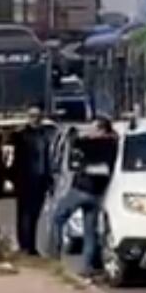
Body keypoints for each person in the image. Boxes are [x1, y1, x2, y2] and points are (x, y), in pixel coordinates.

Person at [51, 118, 118, 280]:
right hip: (97, 195)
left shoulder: (93, 145)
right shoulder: (114, 145)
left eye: (94, 129)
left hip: (81, 190)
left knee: (57, 218)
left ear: (102, 130)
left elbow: (78, 152)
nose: (90, 131)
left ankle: (53, 256)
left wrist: (78, 137)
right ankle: (87, 267)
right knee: (90, 232)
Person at [9, 106, 54, 257]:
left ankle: (31, 246)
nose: (35, 118)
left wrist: (49, 179)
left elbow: (48, 158)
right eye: (32, 116)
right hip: (25, 179)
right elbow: (11, 156)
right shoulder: (21, 135)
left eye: (38, 115)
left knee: (35, 214)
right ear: (28, 117)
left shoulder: (45, 134)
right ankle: (24, 246)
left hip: (40, 179)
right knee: (24, 215)